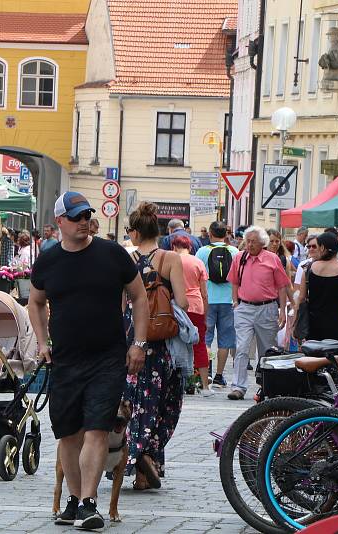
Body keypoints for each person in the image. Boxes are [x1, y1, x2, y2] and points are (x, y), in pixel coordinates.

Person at [28, 192, 149, 530]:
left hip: (108, 358)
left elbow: (139, 297)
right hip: (65, 360)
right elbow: (35, 302)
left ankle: (88, 502)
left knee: (97, 428)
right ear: (60, 223)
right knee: (68, 433)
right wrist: (41, 342)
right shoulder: (48, 261)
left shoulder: (113, 255)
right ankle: (73, 499)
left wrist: (138, 343)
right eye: (77, 216)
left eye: (87, 215)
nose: (84, 222)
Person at [124, 202, 188, 491]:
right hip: (161, 341)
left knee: (135, 402)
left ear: (135, 233)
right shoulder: (170, 259)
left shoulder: (126, 258)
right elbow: (184, 303)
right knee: (164, 402)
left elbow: (119, 302)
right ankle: (148, 455)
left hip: (131, 337)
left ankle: (137, 454)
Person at [226, 226, 290, 401]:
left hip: (267, 308)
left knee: (266, 351)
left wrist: (282, 310)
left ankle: (266, 387)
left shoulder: (272, 259)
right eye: (248, 241)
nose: (249, 245)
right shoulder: (239, 258)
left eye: (253, 241)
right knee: (242, 348)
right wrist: (235, 302)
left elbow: (282, 286)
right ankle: (238, 387)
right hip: (244, 308)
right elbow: (234, 282)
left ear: (263, 243)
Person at [195, 222, 239, 389]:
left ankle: (207, 374)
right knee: (225, 340)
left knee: (206, 339)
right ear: (226, 234)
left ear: (210, 233)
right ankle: (220, 376)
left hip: (207, 300)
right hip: (228, 301)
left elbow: (197, 275)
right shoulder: (234, 252)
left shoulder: (202, 251)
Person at [172, 234, 211, 396]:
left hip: (177, 307)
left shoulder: (171, 260)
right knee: (199, 344)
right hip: (196, 306)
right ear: (190, 247)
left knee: (176, 345)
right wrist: (205, 314)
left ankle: (178, 384)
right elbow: (204, 293)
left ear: (174, 247)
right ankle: (204, 386)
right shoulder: (197, 262)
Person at [295, 232, 338, 342]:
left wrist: (295, 324)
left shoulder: (308, 269)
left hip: (312, 323)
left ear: (323, 247)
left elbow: (301, 298)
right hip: (336, 323)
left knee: (313, 356)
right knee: (333, 357)